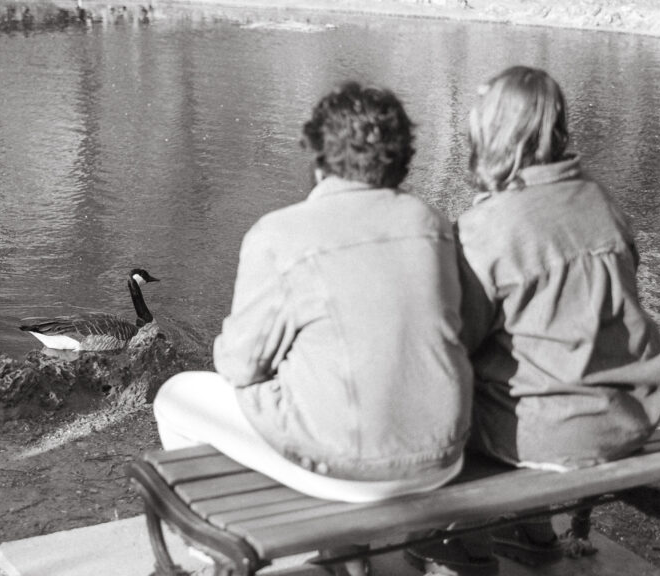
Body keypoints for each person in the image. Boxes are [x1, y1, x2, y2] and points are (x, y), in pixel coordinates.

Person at [152, 81, 473, 575]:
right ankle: (342, 552)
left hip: (350, 467)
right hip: (441, 456)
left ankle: (217, 547)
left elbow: (238, 366)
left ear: (318, 156)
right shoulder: (431, 224)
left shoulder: (278, 233)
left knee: (175, 397)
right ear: (400, 158)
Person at [411, 66, 660, 575]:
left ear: (493, 133)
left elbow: (452, 345)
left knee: (436, 392)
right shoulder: (603, 202)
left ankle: (460, 543)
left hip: (546, 436)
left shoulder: (489, 228)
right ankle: (530, 528)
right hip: (629, 418)